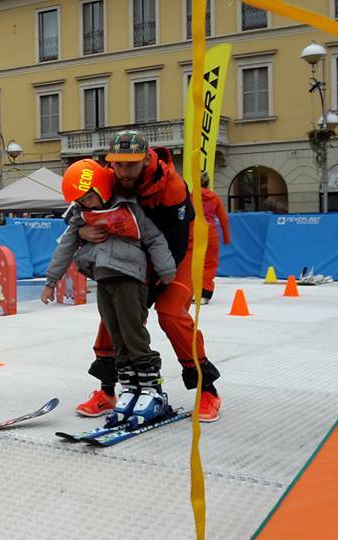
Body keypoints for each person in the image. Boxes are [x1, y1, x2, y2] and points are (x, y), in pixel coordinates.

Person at [76, 130, 223, 422]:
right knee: (116, 313)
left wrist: (152, 286)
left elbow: (176, 243)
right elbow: (78, 212)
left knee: (170, 313)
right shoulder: (106, 178)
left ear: (146, 159)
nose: (123, 171)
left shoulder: (172, 186)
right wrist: (82, 230)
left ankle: (207, 389)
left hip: (177, 251)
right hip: (133, 252)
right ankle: (107, 391)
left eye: (130, 165)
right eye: (117, 164)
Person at [42, 160, 176, 427]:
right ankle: (129, 389)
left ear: (101, 187)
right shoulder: (81, 217)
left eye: (89, 196)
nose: (87, 204)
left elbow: (154, 238)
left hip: (130, 279)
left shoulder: (128, 207)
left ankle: (151, 390)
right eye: (81, 200)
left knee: (133, 334)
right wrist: (51, 280)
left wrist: (166, 269)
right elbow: (65, 246)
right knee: (116, 336)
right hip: (104, 281)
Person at [200, 173, 231, 304]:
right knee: (209, 264)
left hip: (194, 233)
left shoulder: (190, 196)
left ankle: (192, 292)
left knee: (191, 264)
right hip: (210, 233)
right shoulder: (215, 198)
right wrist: (226, 238)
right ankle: (205, 294)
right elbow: (224, 219)